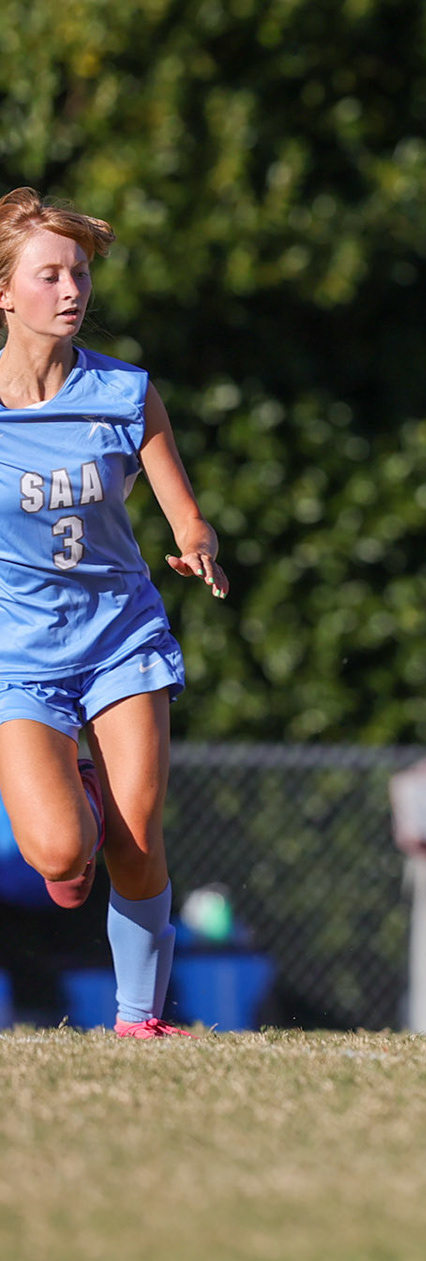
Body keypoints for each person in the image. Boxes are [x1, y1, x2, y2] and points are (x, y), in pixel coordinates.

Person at [0, 188, 228, 1038]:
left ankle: (140, 1022)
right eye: (50, 274)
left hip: (120, 641)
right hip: (20, 656)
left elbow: (182, 507)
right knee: (62, 855)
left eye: (81, 273)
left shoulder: (124, 392)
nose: (72, 290)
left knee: (136, 840)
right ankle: (81, 790)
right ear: (5, 293)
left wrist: (196, 541)